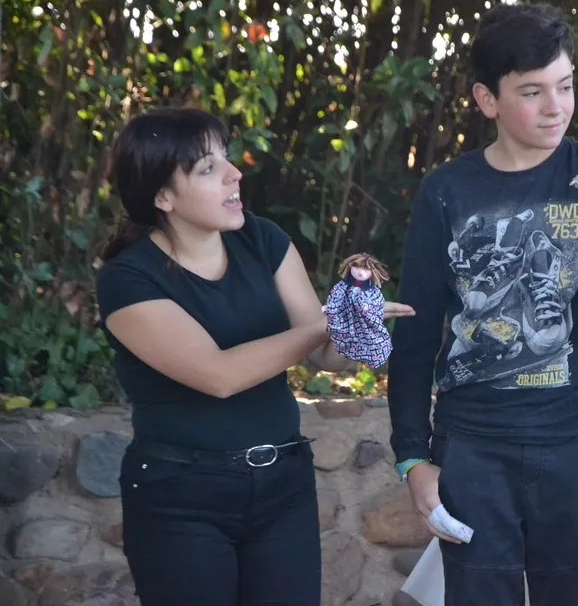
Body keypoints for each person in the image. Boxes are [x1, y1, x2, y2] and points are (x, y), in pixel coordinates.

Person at [386, 2, 578, 606]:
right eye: (533, 92)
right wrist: (412, 457)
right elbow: (416, 334)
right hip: (474, 449)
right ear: (488, 100)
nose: (556, 107)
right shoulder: (447, 191)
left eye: (565, 86)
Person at [94, 106, 414, 606]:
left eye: (226, 157)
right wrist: (327, 323)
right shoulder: (128, 279)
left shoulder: (263, 239)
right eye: (208, 168)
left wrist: (357, 317)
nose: (234, 174)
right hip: (182, 497)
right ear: (163, 197)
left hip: (283, 484)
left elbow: (325, 357)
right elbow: (218, 375)